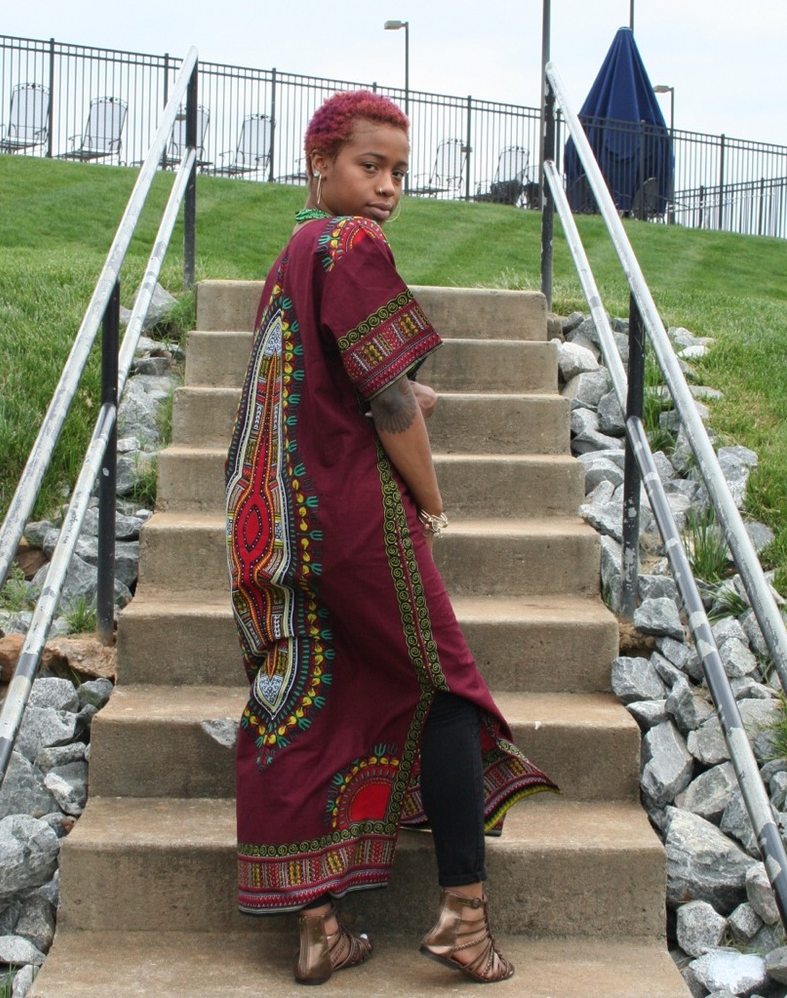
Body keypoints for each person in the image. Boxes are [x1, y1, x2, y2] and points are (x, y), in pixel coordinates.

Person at [224, 89, 557, 986]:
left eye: (400, 172)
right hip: (356, 519)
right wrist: (434, 503)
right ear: (320, 162)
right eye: (369, 166)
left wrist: (403, 395)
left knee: (300, 698)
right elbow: (391, 399)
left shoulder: (294, 253)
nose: (387, 188)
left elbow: (320, 382)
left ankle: (320, 926)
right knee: (449, 689)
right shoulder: (353, 246)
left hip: (274, 525)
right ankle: (463, 917)